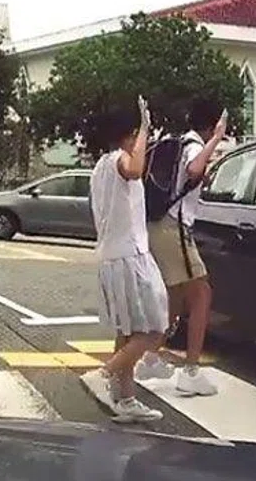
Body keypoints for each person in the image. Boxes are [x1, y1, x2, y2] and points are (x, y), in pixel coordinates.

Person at [81, 96, 168, 422]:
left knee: (129, 331)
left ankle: (126, 398)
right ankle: (103, 375)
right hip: (131, 256)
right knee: (153, 328)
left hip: (113, 258)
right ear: (128, 135)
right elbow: (134, 169)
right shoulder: (121, 160)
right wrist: (144, 128)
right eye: (137, 135)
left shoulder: (99, 167)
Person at [134, 96, 227, 396]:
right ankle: (190, 371)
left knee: (175, 297)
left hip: (159, 226)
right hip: (173, 228)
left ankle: (150, 357)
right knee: (201, 294)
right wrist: (216, 139)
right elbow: (194, 169)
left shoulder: (182, 142)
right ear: (213, 123)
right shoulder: (195, 145)